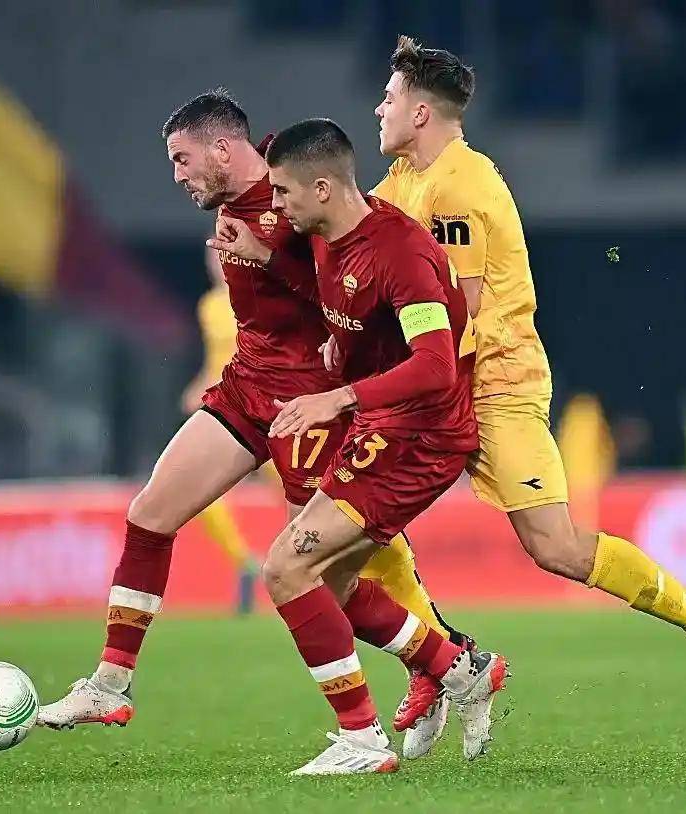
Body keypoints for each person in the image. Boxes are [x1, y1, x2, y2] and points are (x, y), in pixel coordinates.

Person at [37, 94, 478, 760]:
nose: (178, 176)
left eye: (183, 160)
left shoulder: (297, 192)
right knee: (150, 514)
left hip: (311, 404)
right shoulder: (240, 200)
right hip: (247, 389)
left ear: (223, 150)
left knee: (313, 577)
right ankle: (109, 684)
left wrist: (276, 266)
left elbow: (349, 283)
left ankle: (437, 672)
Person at [368, 36, 686, 708]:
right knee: (355, 517)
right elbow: (347, 229)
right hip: (438, 383)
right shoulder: (406, 178)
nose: (380, 108)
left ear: (422, 112)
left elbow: (458, 313)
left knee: (556, 548)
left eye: (390, 97)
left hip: (495, 384)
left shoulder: (461, 186)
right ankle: (437, 658)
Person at [208, 118, 507, 775]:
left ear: (322, 187)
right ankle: (459, 669)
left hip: (423, 436)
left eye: (281, 192)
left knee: (286, 569)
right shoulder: (322, 236)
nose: (273, 207)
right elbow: (334, 298)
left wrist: (338, 397)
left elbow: (435, 365)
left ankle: (361, 740)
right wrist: (267, 262)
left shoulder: (401, 252)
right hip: (382, 427)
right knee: (330, 584)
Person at [182, 246, 261, 613]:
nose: (217, 264)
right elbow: (213, 359)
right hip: (229, 413)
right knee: (202, 495)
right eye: (210, 259)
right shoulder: (209, 306)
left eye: (221, 256)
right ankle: (245, 563)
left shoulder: (257, 293)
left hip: (265, 409)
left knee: (304, 493)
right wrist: (198, 386)